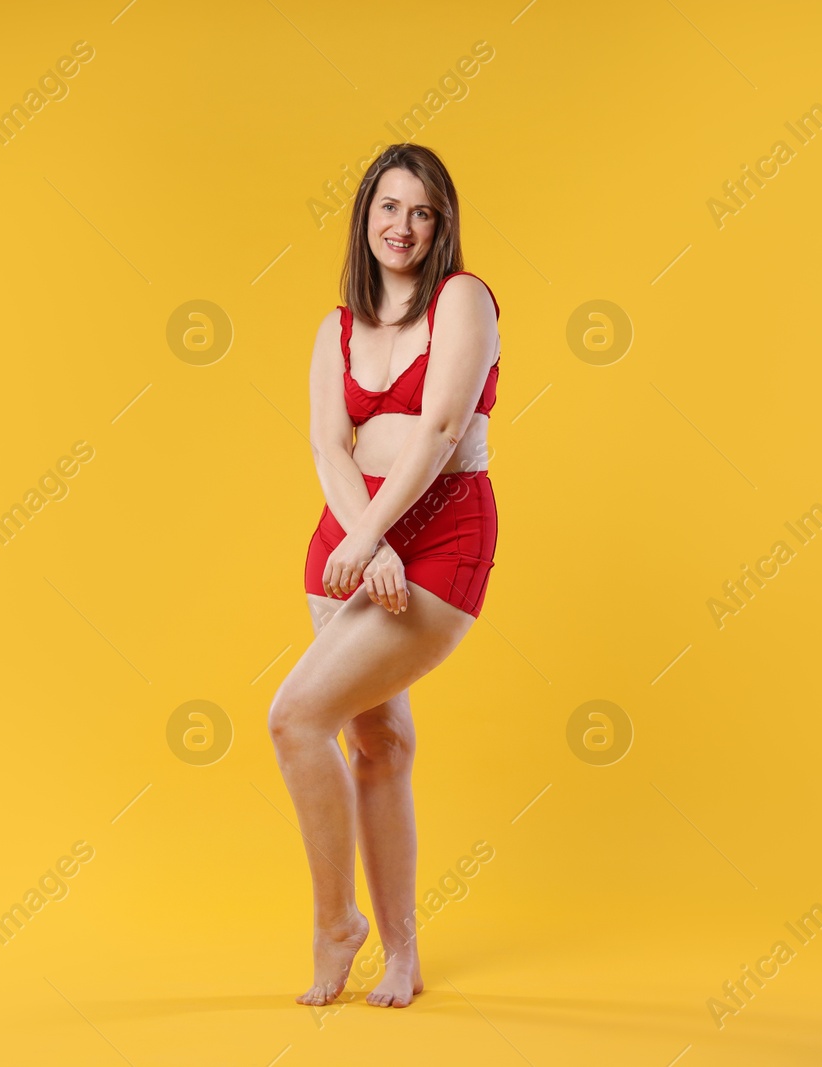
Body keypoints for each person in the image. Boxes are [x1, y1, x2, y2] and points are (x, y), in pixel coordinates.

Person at [268, 143, 503, 1009]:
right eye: (388, 208)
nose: (402, 227)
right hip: (348, 542)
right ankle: (400, 953)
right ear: (364, 217)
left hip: (437, 537)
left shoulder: (463, 301)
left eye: (421, 212)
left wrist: (377, 537)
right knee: (380, 746)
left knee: (295, 719)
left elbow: (441, 429)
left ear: (441, 226)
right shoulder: (336, 326)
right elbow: (329, 443)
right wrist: (364, 540)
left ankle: (337, 922)